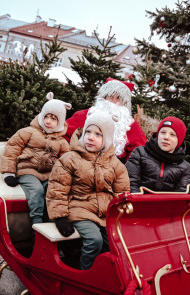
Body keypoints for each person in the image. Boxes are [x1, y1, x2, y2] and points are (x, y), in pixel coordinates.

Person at [47, 111, 130, 270]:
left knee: (114, 243)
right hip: (79, 209)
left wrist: (121, 215)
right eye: (88, 132)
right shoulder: (70, 158)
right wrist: (60, 217)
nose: (91, 137)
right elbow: (58, 188)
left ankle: (103, 273)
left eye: (98, 134)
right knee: (94, 240)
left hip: (105, 213)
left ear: (106, 139)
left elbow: (122, 192)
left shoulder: (115, 164)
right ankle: (85, 274)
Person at [1, 92, 71, 225]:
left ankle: (53, 220)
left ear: (60, 122)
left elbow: (67, 161)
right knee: (36, 190)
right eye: (46, 117)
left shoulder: (61, 141)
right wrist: (8, 173)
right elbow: (12, 148)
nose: (48, 121)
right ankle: (37, 221)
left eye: (54, 119)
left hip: (48, 174)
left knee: (54, 190)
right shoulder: (29, 131)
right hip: (27, 171)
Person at [64, 78, 146, 163]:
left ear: (124, 102)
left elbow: (138, 153)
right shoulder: (86, 114)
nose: (113, 101)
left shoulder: (130, 124)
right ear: (104, 96)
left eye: (118, 98)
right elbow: (63, 133)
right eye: (110, 96)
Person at [126, 116, 190, 193]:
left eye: (172, 134)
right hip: (139, 203)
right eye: (163, 132)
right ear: (158, 134)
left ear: (179, 140)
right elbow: (131, 183)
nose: (166, 137)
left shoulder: (185, 168)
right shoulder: (139, 153)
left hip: (169, 205)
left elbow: (181, 194)